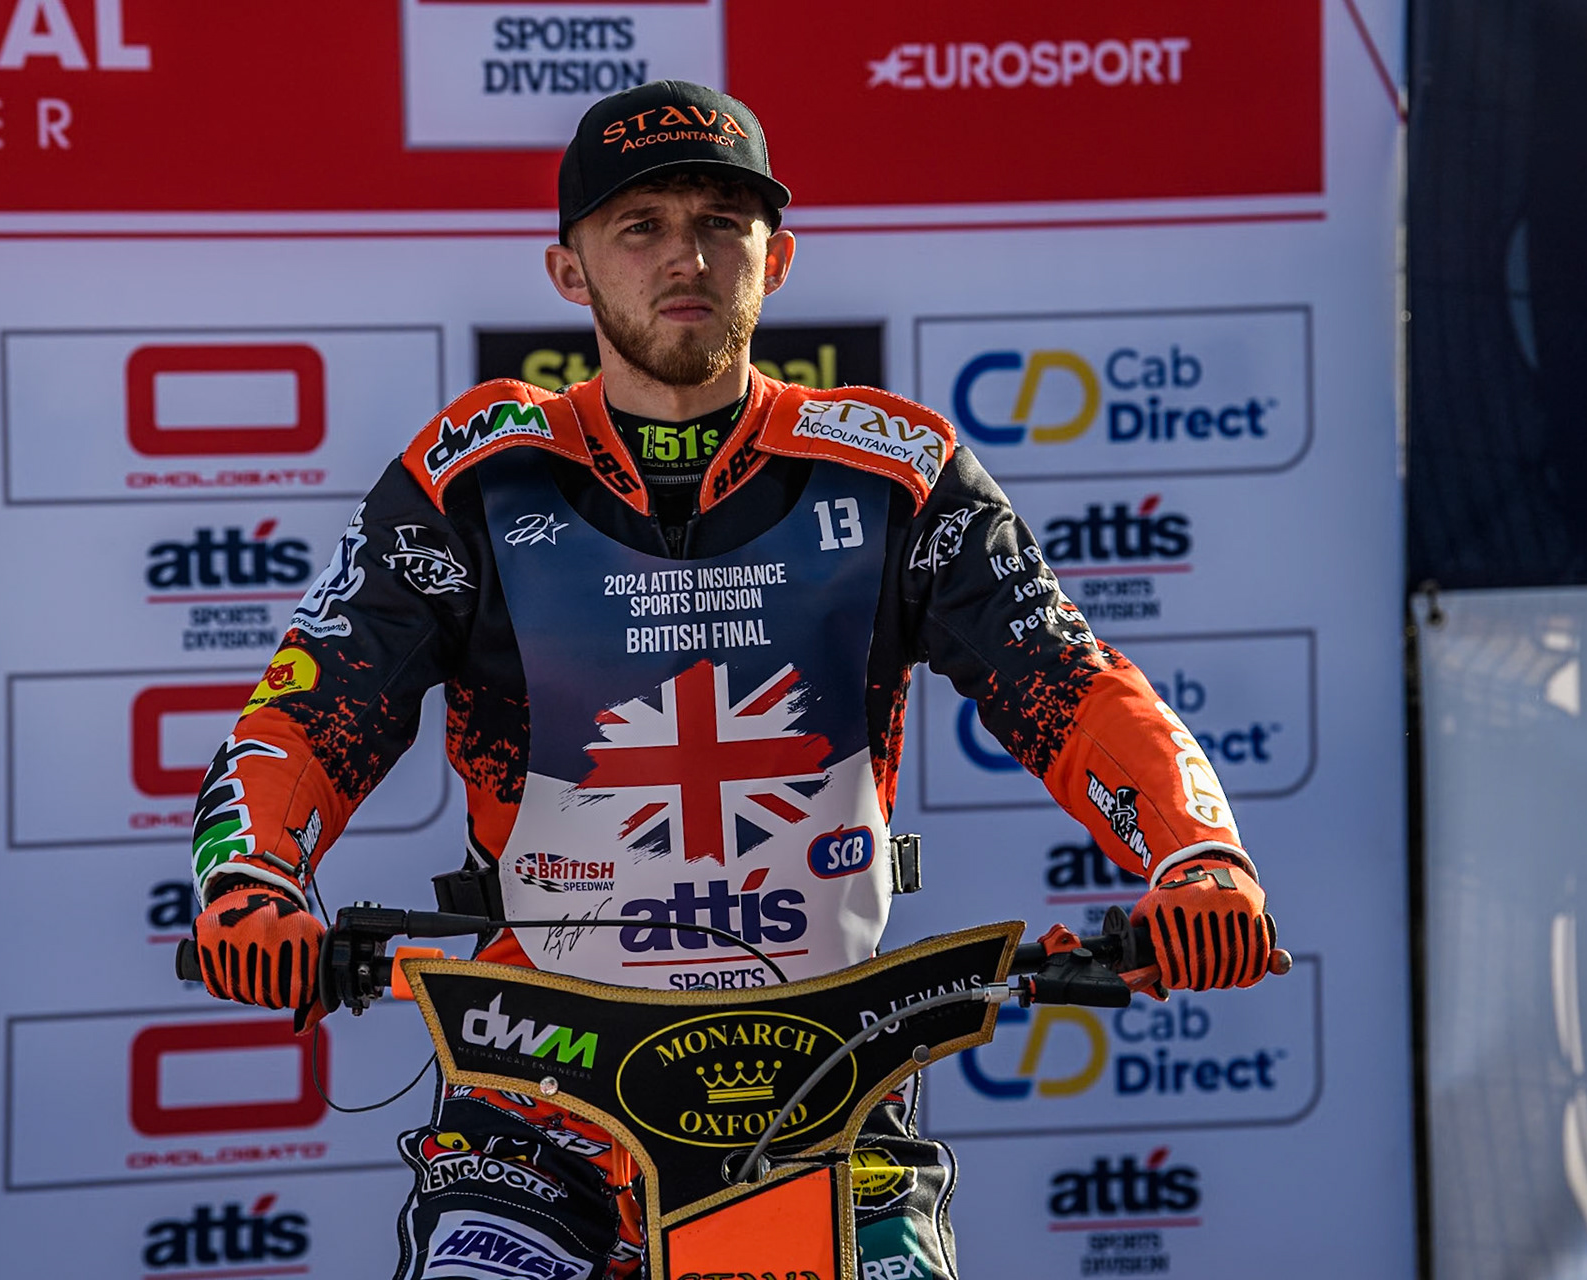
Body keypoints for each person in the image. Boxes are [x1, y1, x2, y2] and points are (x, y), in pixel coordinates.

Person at [186, 79, 1276, 1280]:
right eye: (639, 226)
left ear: (779, 256)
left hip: (829, 1083)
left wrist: (1197, 856)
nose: (685, 256)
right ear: (569, 270)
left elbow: (1064, 677)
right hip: (535, 1096)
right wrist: (252, 876)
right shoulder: (475, 474)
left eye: (720, 220)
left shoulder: (896, 470)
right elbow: (318, 698)